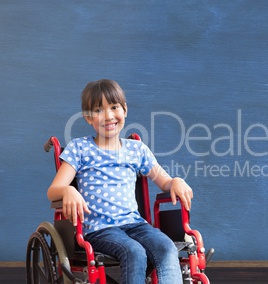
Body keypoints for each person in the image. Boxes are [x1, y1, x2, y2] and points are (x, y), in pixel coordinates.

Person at [47, 79, 192, 284]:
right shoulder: (80, 148)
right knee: (134, 251)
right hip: (99, 229)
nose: (108, 116)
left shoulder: (136, 149)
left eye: (114, 107)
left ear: (124, 110)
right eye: (98, 110)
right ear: (88, 118)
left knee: (166, 247)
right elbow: (53, 190)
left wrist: (175, 181)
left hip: (135, 224)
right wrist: (67, 191)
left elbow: (164, 181)